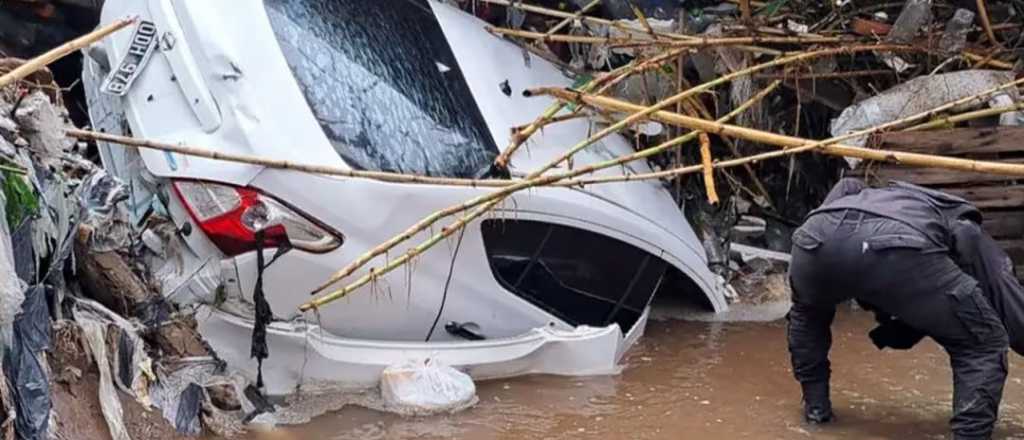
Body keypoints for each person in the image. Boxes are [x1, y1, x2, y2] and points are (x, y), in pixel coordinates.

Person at [787, 177, 1024, 440]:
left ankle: (816, 415)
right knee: (985, 345)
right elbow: (1006, 299)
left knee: (807, 316)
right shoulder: (960, 220)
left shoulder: (858, 197)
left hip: (812, 239)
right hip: (899, 246)